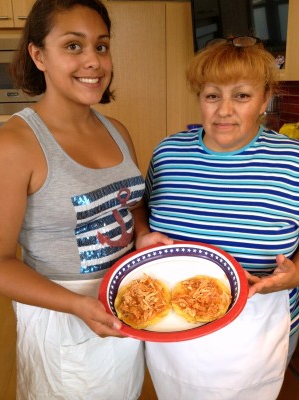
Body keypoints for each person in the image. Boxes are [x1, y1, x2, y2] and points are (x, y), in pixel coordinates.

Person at [0, 1, 170, 398]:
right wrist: (78, 306)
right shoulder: (16, 144)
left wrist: (142, 234)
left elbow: (129, 204)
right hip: (63, 321)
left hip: (124, 303)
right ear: (38, 55)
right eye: (73, 46)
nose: (93, 61)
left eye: (102, 46)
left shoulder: (116, 130)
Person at [134, 37, 299, 399]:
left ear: (265, 98)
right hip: (173, 324)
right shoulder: (168, 154)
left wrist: (297, 272)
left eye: (241, 96)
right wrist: (143, 232)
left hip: (256, 329)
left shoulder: (293, 162)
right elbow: (141, 208)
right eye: (212, 96)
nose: (224, 110)